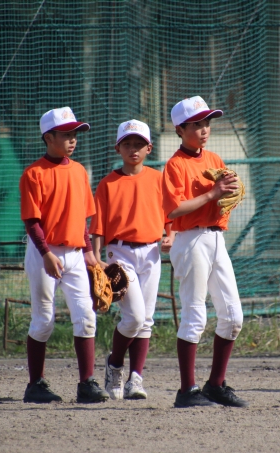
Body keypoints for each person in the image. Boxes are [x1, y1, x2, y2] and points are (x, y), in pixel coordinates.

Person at [161, 96, 248, 408]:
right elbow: (173, 210)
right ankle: (187, 390)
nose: (204, 129)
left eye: (207, 122)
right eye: (196, 124)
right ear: (180, 129)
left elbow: (224, 197)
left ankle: (215, 385)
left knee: (233, 317)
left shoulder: (213, 158)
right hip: (190, 239)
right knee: (195, 315)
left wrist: (231, 192)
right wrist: (213, 194)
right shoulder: (175, 165)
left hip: (216, 239)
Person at [19, 107, 109, 403]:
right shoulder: (33, 173)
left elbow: (81, 217)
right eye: (67, 134)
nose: (73, 139)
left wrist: (89, 252)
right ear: (48, 137)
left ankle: (87, 384)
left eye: (75, 134)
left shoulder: (79, 171)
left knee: (86, 317)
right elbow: (32, 221)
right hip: (43, 252)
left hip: (75, 253)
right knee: (44, 320)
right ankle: (35, 385)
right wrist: (46, 253)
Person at [90, 119, 174, 400]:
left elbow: (169, 215)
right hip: (120, 252)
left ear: (149, 148)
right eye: (127, 143)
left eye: (139, 143)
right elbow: (98, 226)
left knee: (146, 320)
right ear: (118, 148)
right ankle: (115, 364)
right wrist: (96, 257)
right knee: (135, 317)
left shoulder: (158, 179)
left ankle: (135, 379)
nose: (133, 148)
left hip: (151, 251)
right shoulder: (108, 183)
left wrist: (170, 236)